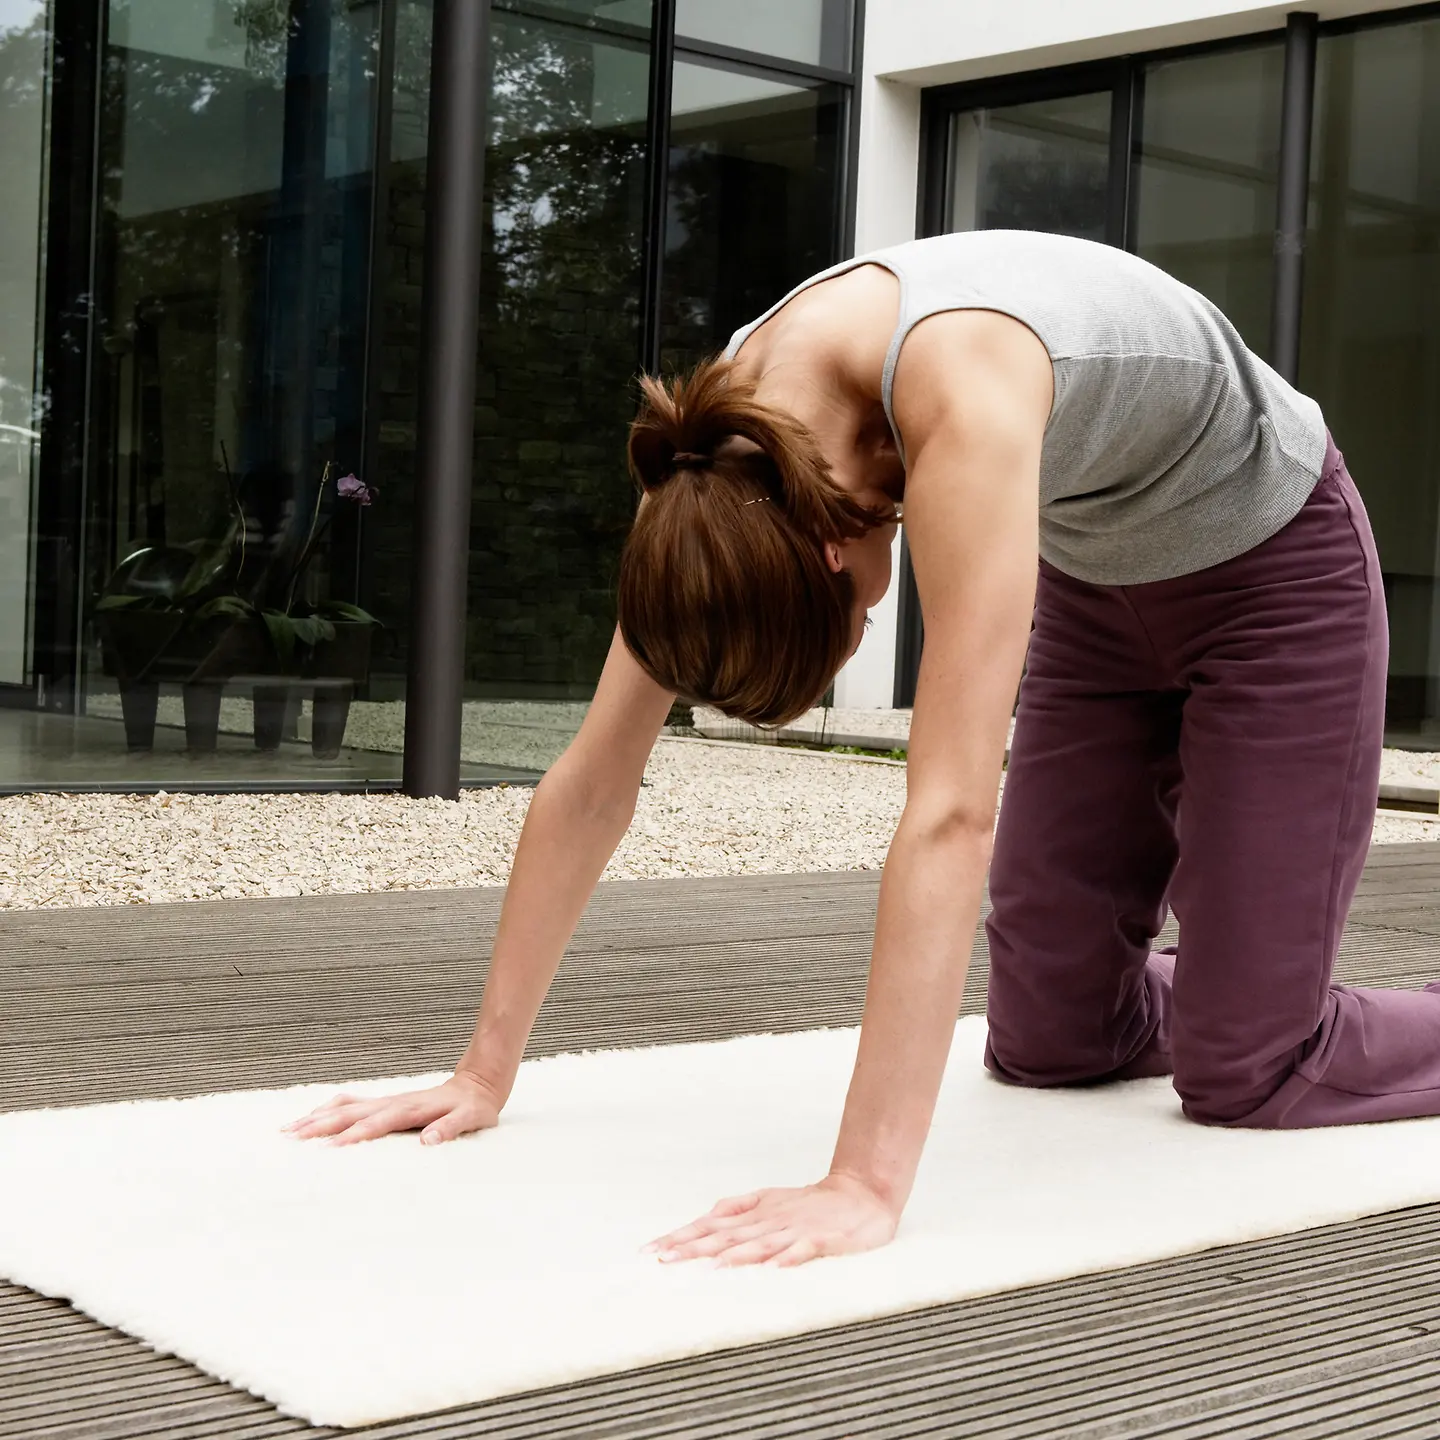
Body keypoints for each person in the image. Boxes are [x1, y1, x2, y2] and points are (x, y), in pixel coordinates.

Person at [285, 229, 1440, 1270]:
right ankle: (1247, 978)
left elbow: (950, 815)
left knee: (1249, 1072)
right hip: (1101, 588)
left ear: (832, 560)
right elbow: (595, 778)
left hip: (1275, 581)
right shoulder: (710, 470)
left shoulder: (962, 395)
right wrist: (482, 1073)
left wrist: (863, 1183)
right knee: (1053, 1042)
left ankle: (1256, 1002)